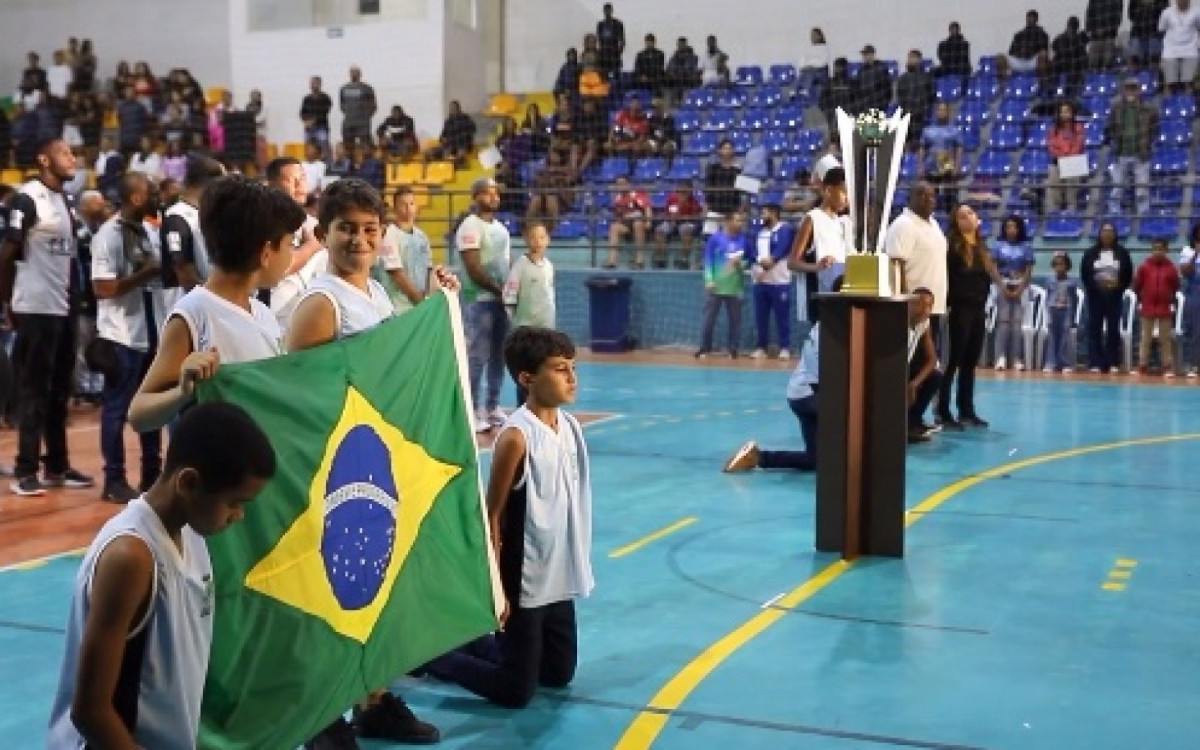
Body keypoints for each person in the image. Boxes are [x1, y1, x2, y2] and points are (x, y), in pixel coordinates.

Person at [287, 179, 446, 749]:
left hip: (377, 465)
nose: (359, 239)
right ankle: (322, 714)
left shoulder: (377, 295)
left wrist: (437, 304)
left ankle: (372, 703)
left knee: (376, 592)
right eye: (347, 228)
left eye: (369, 230)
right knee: (331, 597)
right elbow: (297, 396)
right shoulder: (318, 304)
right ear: (324, 234)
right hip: (336, 471)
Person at [46, 402, 276, 750]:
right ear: (187, 482)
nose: (239, 515)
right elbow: (91, 711)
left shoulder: (192, 535)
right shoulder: (131, 558)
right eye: (234, 502)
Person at [426, 326, 593, 709]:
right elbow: (493, 516)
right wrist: (496, 590)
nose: (571, 377)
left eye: (572, 367)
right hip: (525, 578)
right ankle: (434, 656)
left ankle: (473, 641)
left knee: (557, 674)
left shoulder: (568, 427)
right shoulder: (517, 437)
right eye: (559, 369)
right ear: (527, 378)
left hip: (559, 574)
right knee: (516, 691)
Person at [127, 175, 306, 434]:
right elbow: (139, 415)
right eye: (290, 244)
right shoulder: (193, 314)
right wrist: (182, 392)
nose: (291, 254)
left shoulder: (262, 312)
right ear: (266, 253)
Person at [0, 138, 95, 497]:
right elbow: (7, 253)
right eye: (64, 153)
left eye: (74, 152)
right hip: (34, 308)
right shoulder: (27, 198)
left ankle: (57, 465)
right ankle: (26, 469)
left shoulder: (65, 201)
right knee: (33, 391)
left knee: (60, 391)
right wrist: (8, 302)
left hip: (64, 307)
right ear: (43, 159)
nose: (72, 158)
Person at [90, 172, 164, 503]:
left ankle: (151, 475)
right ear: (136, 198)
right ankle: (114, 479)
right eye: (151, 191)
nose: (156, 196)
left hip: (150, 334)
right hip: (121, 335)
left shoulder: (146, 231)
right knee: (116, 410)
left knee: (151, 409)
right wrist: (147, 273)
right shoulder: (108, 236)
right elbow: (103, 288)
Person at [722, 277, 847, 474]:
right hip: (811, 396)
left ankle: (758, 457)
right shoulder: (837, 329)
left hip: (800, 393)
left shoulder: (828, 323)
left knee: (816, 460)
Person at [939, 204, 1002, 430]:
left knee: (970, 363)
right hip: (960, 308)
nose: (968, 218)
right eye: (962, 216)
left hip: (978, 309)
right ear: (956, 222)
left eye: (971, 214)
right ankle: (943, 411)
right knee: (953, 361)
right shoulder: (953, 247)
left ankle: (966, 409)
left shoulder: (982, 247)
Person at [458, 178, 513, 433]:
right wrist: (497, 290)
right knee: (478, 355)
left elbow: (506, 265)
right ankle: (472, 409)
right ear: (476, 196)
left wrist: (510, 292)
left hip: (500, 300)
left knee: (499, 355)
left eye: (495, 193)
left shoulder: (502, 230)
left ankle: (492, 407)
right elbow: (473, 267)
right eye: (487, 193)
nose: (493, 197)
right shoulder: (469, 226)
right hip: (478, 300)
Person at [265, 157, 328, 327]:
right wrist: (311, 246)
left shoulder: (314, 225)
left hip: (307, 319)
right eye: (291, 180)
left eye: (303, 178)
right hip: (271, 317)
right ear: (271, 185)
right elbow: (278, 267)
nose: (299, 184)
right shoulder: (264, 221)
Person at [885, 182, 948, 350]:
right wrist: (906, 299)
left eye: (932, 196)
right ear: (909, 198)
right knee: (914, 358)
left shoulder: (934, 224)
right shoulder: (903, 224)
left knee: (930, 358)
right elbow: (896, 264)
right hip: (914, 307)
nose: (927, 199)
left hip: (934, 304)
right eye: (921, 195)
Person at [161, 155, 227, 306]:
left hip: (205, 300)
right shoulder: (177, 216)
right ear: (210, 183)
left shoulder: (205, 213)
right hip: (184, 303)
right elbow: (183, 271)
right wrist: (216, 299)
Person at [1080, 221, 1135, 374]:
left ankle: (1112, 362)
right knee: (1094, 329)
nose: (1107, 234)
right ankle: (1095, 363)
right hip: (1096, 297)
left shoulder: (1122, 253)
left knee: (1113, 330)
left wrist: (1117, 287)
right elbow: (1085, 274)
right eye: (1104, 231)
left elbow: (1128, 274)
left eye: (1110, 231)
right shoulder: (1090, 253)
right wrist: (1097, 286)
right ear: (1099, 233)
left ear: (1115, 234)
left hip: (1114, 297)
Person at [697, 210, 748, 359]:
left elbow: (750, 261)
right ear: (728, 221)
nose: (740, 223)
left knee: (735, 321)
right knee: (709, 319)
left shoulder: (744, 240)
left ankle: (733, 349)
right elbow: (708, 260)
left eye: (741, 221)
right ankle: (705, 348)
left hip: (735, 287)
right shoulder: (715, 239)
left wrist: (741, 264)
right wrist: (709, 280)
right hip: (716, 287)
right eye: (737, 220)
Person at [374, 186, 432, 314]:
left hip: (420, 303)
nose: (408, 208)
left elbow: (428, 269)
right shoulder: (389, 235)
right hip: (398, 307)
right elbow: (396, 273)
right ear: (395, 208)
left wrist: (427, 297)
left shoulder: (421, 236)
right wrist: (420, 301)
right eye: (403, 204)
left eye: (411, 203)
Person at [750, 203, 796, 359]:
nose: (762, 216)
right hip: (760, 282)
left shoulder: (785, 229)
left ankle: (785, 347)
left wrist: (770, 262)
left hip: (779, 281)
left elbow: (781, 249)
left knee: (782, 317)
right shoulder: (759, 232)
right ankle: (761, 347)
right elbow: (754, 251)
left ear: (774, 213)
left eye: (764, 213)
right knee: (760, 317)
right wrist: (759, 265)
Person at [991, 215, 1036, 371]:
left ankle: (1016, 358)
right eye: (1008, 227)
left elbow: (1029, 270)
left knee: (1017, 324)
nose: (1011, 230)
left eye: (1014, 227)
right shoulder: (997, 245)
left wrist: (1020, 288)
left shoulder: (1026, 247)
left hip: (1020, 287)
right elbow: (993, 268)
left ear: (1019, 229)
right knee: (1002, 323)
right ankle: (1000, 357)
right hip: (1002, 286)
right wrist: (1002, 286)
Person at [1132, 238, 1181, 376]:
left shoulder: (1171, 269)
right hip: (1147, 307)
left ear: (1166, 250)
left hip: (1164, 308)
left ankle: (1166, 366)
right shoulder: (1144, 267)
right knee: (1145, 338)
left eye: (1160, 249)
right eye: (1155, 249)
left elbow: (1176, 286)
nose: (1157, 252)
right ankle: (1142, 365)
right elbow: (1137, 285)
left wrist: (1169, 299)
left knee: (1165, 339)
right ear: (1151, 250)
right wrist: (1142, 299)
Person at [906, 288, 943, 442]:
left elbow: (932, 359)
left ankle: (913, 422)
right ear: (909, 304)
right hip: (890, 372)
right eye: (920, 305)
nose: (925, 310)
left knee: (935, 376)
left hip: (906, 369)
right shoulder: (899, 322)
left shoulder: (924, 323)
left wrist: (914, 384)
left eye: (929, 306)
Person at [503, 221, 555, 330]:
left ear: (548, 240)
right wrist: (514, 319)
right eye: (533, 238)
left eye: (541, 237)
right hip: (526, 325)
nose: (538, 242)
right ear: (526, 240)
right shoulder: (520, 265)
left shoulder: (549, 266)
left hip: (547, 325)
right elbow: (509, 295)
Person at [1044, 252, 1080, 374]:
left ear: (1067, 266)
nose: (1059, 267)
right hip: (1053, 309)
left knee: (1064, 335)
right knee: (1052, 336)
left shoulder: (1072, 282)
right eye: (1057, 264)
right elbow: (1047, 295)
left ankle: (1064, 362)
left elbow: (1074, 299)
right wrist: (1047, 310)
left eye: (1062, 264)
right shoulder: (1049, 280)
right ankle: (1051, 362)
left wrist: (1073, 315)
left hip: (1066, 310)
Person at [1047, 101, 1085, 212]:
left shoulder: (1078, 128)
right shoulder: (1053, 130)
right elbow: (1052, 146)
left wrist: (1069, 157)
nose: (1064, 114)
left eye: (1067, 111)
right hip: (1057, 160)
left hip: (1074, 159)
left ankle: (1071, 207)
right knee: (1053, 180)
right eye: (1062, 112)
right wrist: (1062, 157)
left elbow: (1079, 144)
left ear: (1072, 113)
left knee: (1073, 179)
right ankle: (1055, 208)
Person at [1158, 0, 1200, 95]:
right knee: (1170, 83)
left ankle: (1188, 104)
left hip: (1190, 50)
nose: (1183, 2)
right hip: (1170, 51)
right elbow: (1161, 28)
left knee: (1188, 83)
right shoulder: (1167, 12)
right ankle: (1168, 105)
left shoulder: (1197, 12)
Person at [1178, 222, 1200, 377]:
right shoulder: (1187, 250)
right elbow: (1185, 272)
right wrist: (1196, 255)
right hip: (1194, 289)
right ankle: (1190, 363)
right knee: (1193, 328)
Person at [340, 66, 377, 148]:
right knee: (348, 146)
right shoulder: (344, 88)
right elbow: (342, 105)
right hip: (348, 122)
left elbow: (373, 105)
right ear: (349, 74)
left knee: (365, 145)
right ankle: (350, 160)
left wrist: (366, 116)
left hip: (363, 122)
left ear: (360, 74)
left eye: (356, 72)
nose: (354, 74)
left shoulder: (367, 88)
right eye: (352, 72)